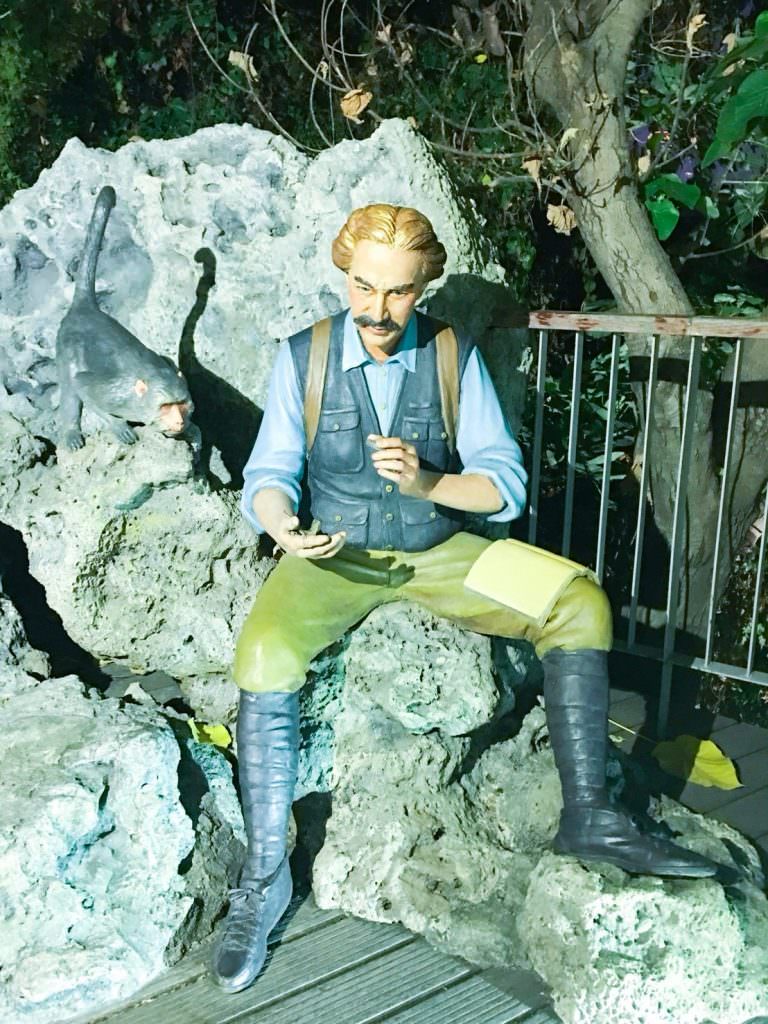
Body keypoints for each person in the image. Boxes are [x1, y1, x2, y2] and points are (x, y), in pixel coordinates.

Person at [212, 204, 730, 994]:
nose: (378, 310)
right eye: (363, 287)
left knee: (579, 602)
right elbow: (269, 474)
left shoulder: (453, 356)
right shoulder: (303, 358)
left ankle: (590, 815)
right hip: (334, 558)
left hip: (437, 553)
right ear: (344, 277)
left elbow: (503, 484)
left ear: (424, 286)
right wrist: (283, 525)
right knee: (261, 656)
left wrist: (429, 482)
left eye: (398, 292)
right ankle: (264, 874)